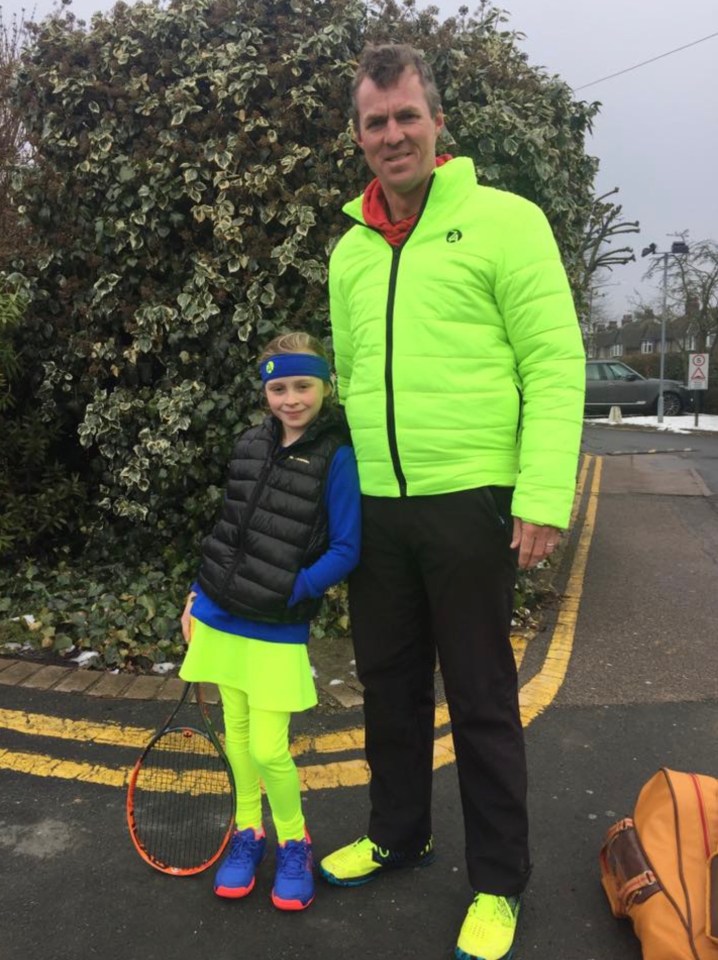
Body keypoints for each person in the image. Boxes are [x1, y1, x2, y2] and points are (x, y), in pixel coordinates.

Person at [318, 44, 585, 960]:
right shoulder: (349, 250)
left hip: (473, 501)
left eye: (405, 116)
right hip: (385, 508)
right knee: (388, 685)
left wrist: (543, 492)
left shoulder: (507, 223)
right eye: (375, 122)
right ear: (359, 136)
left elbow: (553, 363)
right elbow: (351, 375)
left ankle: (500, 883)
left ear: (437, 124)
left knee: (479, 699)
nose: (392, 134)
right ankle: (398, 833)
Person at [179, 331, 361, 912]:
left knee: (270, 749)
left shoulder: (337, 454)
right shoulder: (249, 444)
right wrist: (194, 595)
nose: (290, 398)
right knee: (237, 737)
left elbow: (347, 547)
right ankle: (246, 832)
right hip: (218, 613)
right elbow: (227, 529)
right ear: (265, 392)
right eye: (278, 387)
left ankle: (293, 840)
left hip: (276, 625)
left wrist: (291, 590)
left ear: (324, 387)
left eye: (302, 385)